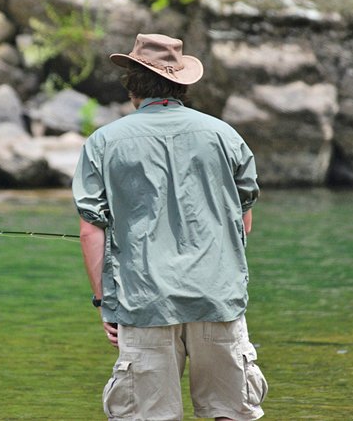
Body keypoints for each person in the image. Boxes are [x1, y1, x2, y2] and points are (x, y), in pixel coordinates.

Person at [72, 33, 267, 421]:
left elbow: (90, 230)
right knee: (230, 412)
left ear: (132, 85)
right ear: (181, 83)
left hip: (144, 302)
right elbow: (243, 220)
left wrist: (105, 303)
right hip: (217, 297)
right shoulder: (225, 136)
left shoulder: (103, 142)